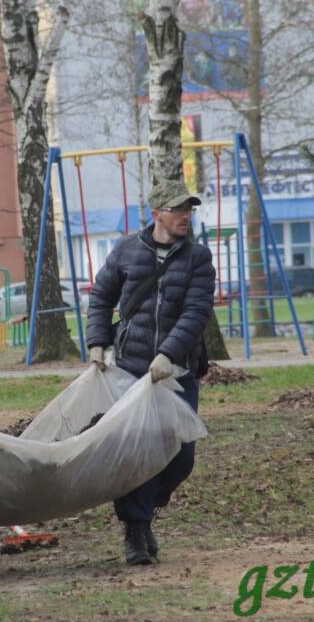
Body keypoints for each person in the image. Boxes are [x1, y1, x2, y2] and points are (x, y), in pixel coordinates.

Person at [86, 179, 215, 566]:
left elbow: (196, 313)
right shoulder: (126, 250)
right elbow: (101, 298)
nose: (185, 217)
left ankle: (147, 510)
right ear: (156, 213)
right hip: (129, 370)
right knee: (135, 452)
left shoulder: (199, 258)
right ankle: (136, 530)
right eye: (178, 210)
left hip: (175, 372)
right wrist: (96, 342)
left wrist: (168, 354)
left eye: (189, 210)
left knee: (181, 455)